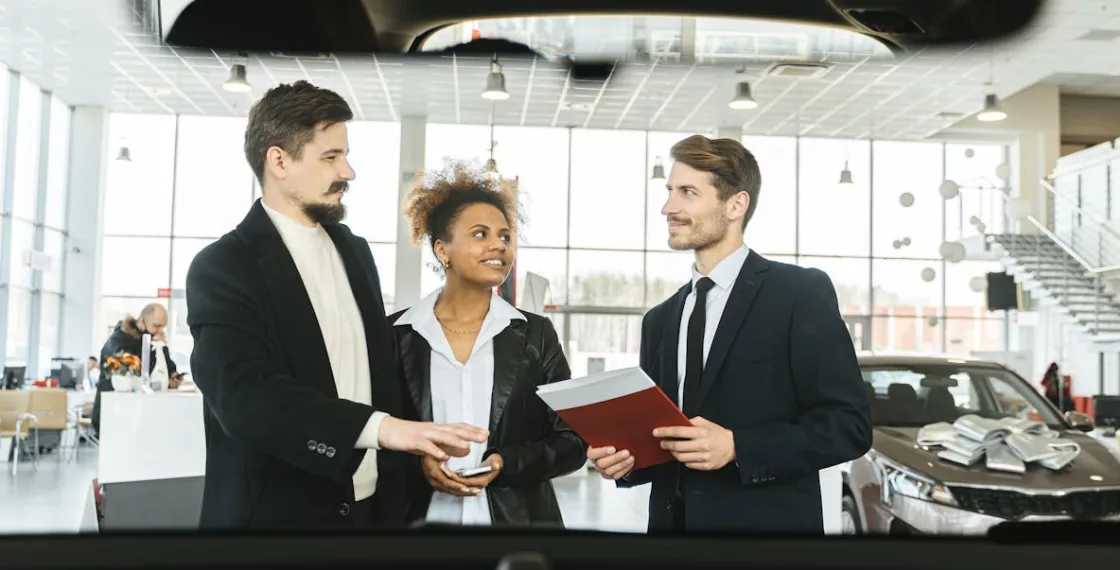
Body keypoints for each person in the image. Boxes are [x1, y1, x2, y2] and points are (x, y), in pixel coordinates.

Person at [184, 81, 488, 530]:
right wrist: (384, 429)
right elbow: (245, 396)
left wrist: (419, 449)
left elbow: (378, 375)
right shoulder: (224, 266)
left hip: (372, 517)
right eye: (330, 157)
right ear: (279, 161)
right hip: (276, 525)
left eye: (344, 154)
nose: (348, 172)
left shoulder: (355, 252)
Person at [587, 135, 873, 533]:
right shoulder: (660, 319)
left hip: (763, 544)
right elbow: (662, 438)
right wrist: (625, 462)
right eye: (670, 191)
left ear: (736, 204)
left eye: (688, 192)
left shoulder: (797, 295)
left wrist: (739, 446)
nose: (669, 207)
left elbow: (848, 427)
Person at [389, 163, 586, 527]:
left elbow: (572, 440)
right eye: (480, 234)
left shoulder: (535, 335)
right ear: (442, 250)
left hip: (518, 526)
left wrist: (504, 463)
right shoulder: (395, 335)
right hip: (417, 526)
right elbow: (369, 433)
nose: (499, 245)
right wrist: (418, 463)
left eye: (505, 236)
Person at [91, 304, 181, 435]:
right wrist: (153, 347)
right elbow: (137, 370)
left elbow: (167, 365)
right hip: (114, 411)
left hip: (138, 412)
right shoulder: (120, 339)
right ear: (142, 321)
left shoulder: (154, 341)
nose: (160, 331)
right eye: (156, 326)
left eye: (163, 327)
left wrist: (173, 375)